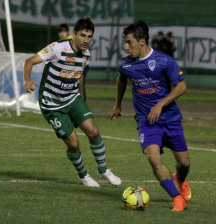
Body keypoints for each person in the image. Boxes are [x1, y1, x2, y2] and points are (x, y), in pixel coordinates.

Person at [23, 17, 121, 187]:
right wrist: (27, 79)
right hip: (52, 104)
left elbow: (79, 75)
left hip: (71, 98)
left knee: (94, 132)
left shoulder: (86, 54)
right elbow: (29, 61)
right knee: (74, 143)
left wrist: (81, 96)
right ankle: (83, 175)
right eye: (82, 35)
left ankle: (103, 170)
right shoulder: (57, 48)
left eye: (89, 36)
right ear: (73, 34)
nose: (86, 40)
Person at [111, 20, 191, 212]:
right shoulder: (125, 64)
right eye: (125, 42)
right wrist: (118, 104)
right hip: (146, 121)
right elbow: (121, 80)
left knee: (184, 163)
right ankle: (177, 199)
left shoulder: (164, 61)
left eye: (129, 42)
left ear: (142, 41)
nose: (126, 46)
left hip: (170, 119)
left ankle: (180, 179)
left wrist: (160, 104)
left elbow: (181, 86)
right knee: (153, 158)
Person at [58, 23, 89, 102]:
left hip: (82, 65)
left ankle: (82, 103)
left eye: (64, 31)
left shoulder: (70, 39)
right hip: (73, 65)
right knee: (73, 84)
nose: (62, 33)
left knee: (79, 84)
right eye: (60, 32)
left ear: (68, 32)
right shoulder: (60, 42)